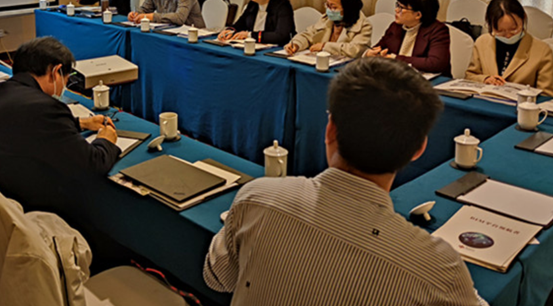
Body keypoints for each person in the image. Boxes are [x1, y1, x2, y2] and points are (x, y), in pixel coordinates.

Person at [204, 58, 483, 305]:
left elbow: (217, 278)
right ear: (419, 149)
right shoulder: (439, 269)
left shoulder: (256, 197)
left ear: (330, 130)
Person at [0, 36, 119, 222]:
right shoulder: (45, 108)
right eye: (66, 78)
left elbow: (28, 128)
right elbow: (92, 165)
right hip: (4, 223)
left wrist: (81, 123)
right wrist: (106, 139)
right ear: (56, 71)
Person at [466, 0, 553, 94]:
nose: (508, 36)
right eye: (500, 31)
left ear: (523, 18)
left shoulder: (542, 51)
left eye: (513, 29)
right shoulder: (482, 42)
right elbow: (469, 76)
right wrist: (485, 79)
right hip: (484, 100)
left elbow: (546, 94)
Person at [365, 0, 451, 75]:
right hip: (397, 75)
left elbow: (435, 63)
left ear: (418, 15)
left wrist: (396, 59)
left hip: (428, 79)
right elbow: (380, 47)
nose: (396, 10)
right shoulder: (396, 26)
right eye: (397, 5)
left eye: (401, 8)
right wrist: (372, 53)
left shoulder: (438, 30)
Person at [284, 0, 371, 57]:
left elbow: (355, 50)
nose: (329, 10)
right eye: (327, 5)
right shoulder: (327, 19)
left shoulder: (364, 26)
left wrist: (324, 46)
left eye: (333, 7)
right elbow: (308, 35)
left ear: (348, 9)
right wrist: (296, 44)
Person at [218, 0, 296, 45]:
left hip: (275, 50)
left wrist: (250, 35)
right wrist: (229, 31)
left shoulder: (283, 7)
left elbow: (281, 36)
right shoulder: (253, 4)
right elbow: (241, 23)